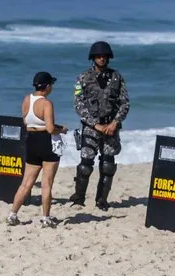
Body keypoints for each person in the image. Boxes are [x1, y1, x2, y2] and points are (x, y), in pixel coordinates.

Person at [70, 41, 130, 211]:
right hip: (91, 127)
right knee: (85, 165)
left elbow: (124, 103)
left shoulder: (117, 78)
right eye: (98, 56)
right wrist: (94, 124)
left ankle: (101, 200)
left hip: (111, 128)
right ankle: (79, 198)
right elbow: (78, 104)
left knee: (108, 166)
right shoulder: (83, 78)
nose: (101, 58)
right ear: (93, 58)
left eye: (104, 56)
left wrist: (115, 122)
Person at [6, 72, 67, 228]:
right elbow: (50, 128)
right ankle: (46, 218)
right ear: (47, 86)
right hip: (46, 142)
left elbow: (26, 121)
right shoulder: (46, 103)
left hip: (31, 140)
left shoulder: (27, 100)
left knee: (26, 183)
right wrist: (62, 129)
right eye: (51, 85)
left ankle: (13, 214)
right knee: (46, 183)